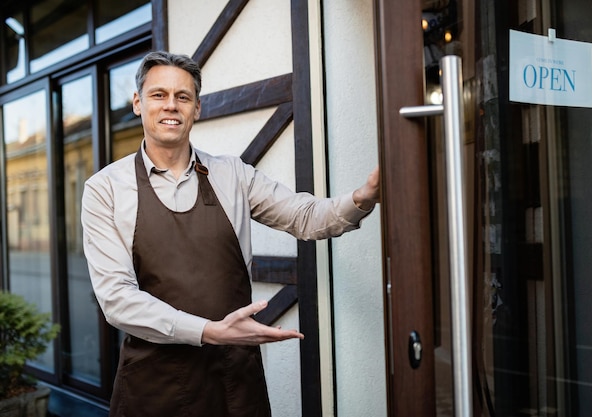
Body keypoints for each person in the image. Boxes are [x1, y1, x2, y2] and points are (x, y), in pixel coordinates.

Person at [81, 50, 379, 417]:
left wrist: (361, 199)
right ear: (138, 103)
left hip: (234, 382)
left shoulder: (233, 175)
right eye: (159, 95)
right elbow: (117, 299)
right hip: (152, 386)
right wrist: (210, 331)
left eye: (183, 97)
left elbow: (305, 216)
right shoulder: (105, 189)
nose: (171, 105)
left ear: (197, 109)